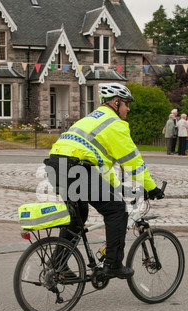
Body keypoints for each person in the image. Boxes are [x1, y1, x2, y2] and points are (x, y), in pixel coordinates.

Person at [44, 83, 164, 279]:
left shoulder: (91, 119)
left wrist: (118, 189)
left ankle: (58, 265)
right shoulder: (114, 124)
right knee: (117, 211)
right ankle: (113, 264)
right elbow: (133, 162)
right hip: (77, 169)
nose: (128, 108)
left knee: (78, 216)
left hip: (56, 165)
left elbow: (101, 167)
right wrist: (152, 188)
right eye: (126, 104)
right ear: (116, 102)